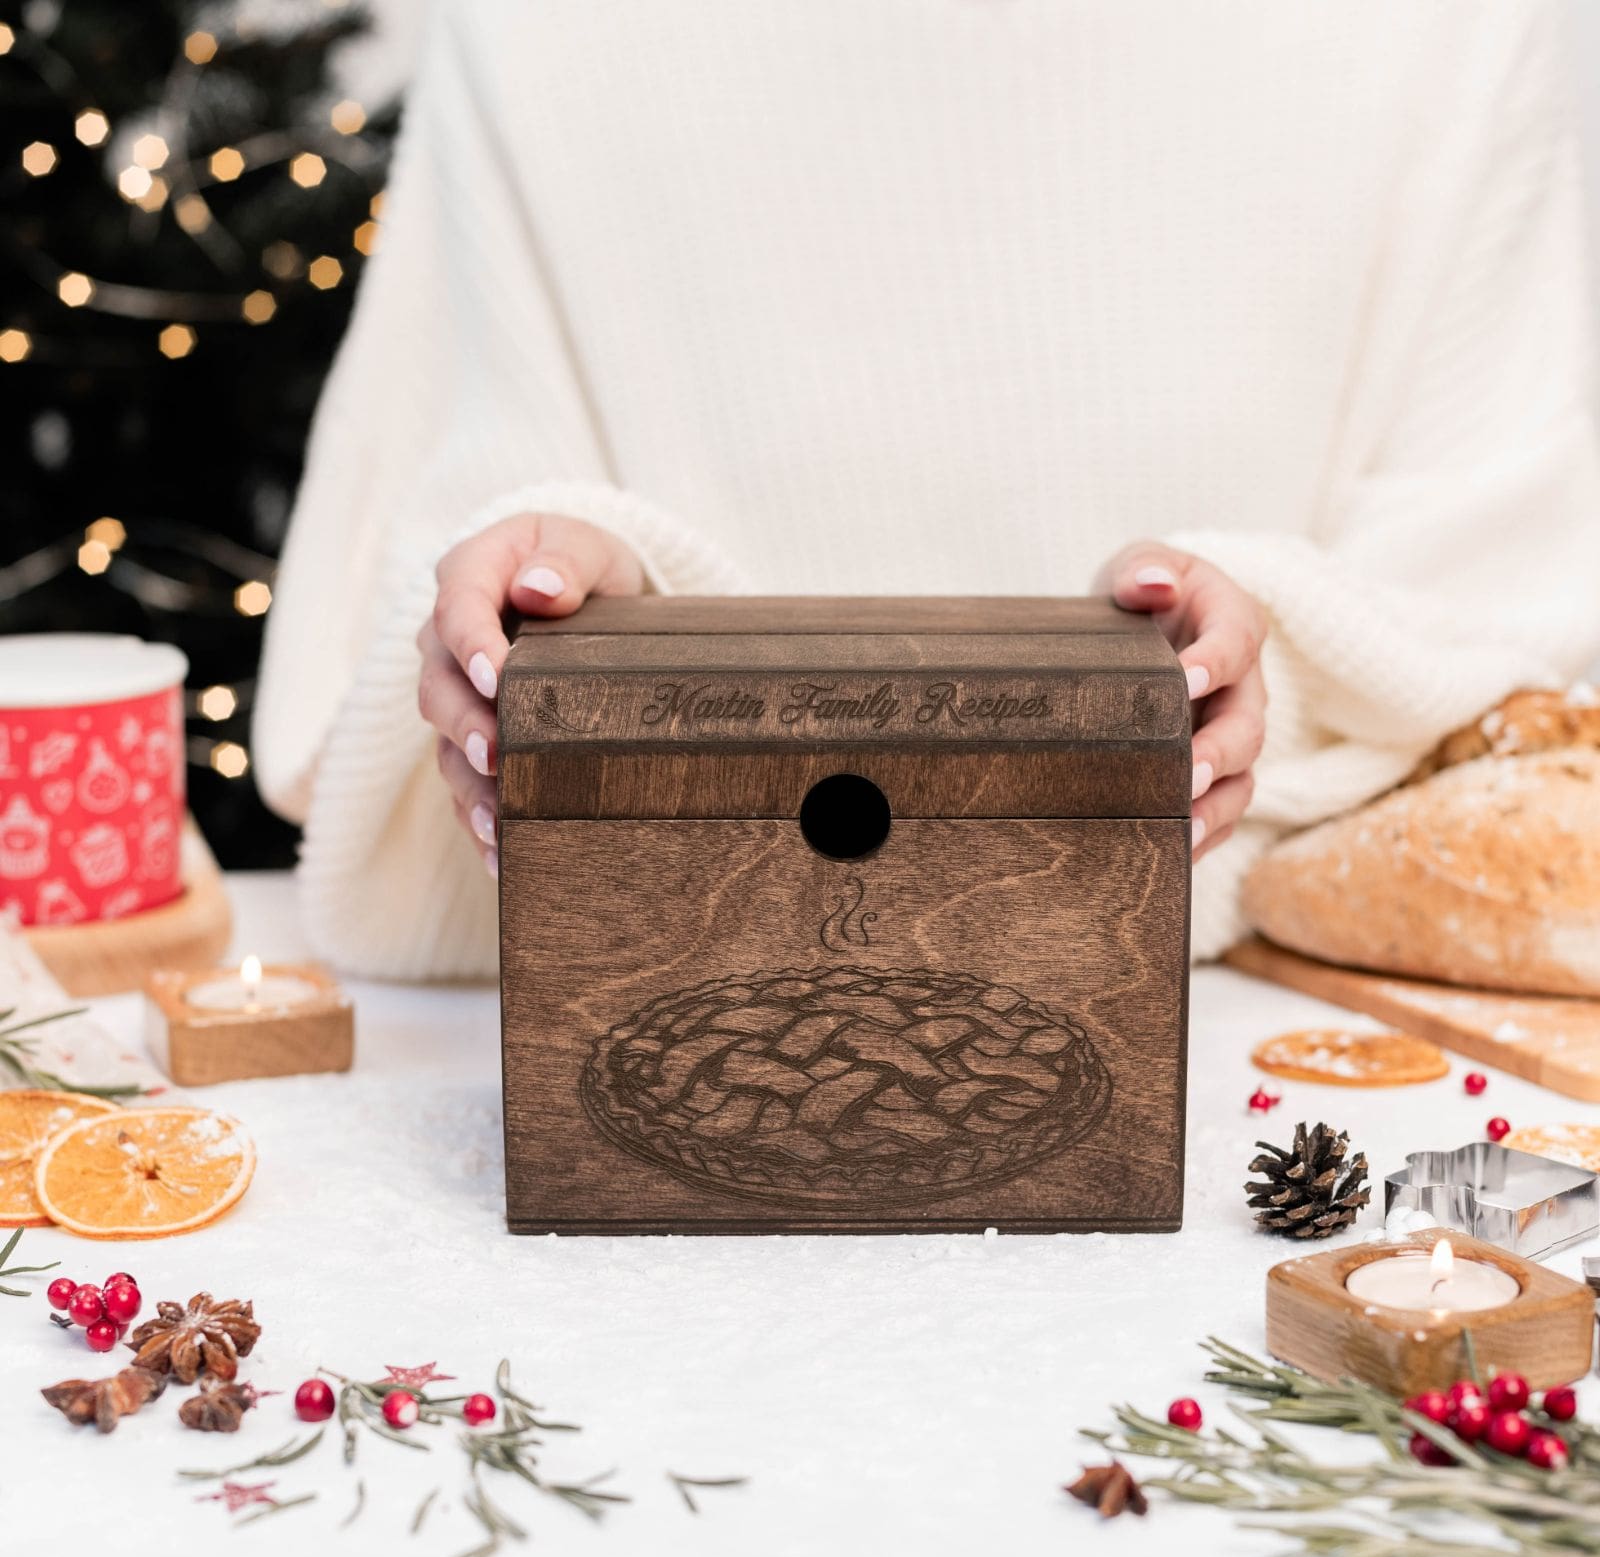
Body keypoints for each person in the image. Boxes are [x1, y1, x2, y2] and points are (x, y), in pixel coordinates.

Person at [256, 0, 1600, 981]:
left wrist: (1263, 675)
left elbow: (1508, 595)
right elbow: (384, 691)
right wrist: (568, 633)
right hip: (650, 1028)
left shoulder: (1454, 31)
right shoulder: (538, 36)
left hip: (1261, 1041)